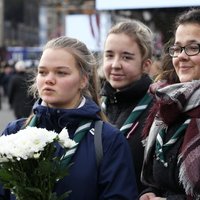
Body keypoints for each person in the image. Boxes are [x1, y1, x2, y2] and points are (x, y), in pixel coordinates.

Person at [1, 36, 138, 200]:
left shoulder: (108, 140)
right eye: (42, 72)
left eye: (61, 73)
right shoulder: (14, 133)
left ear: (83, 80)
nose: (49, 79)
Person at [140, 8, 200, 200]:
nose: (181, 56)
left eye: (193, 47)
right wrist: (150, 192)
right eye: (177, 48)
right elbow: (159, 176)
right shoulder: (168, 104)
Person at [100, 20, 154, 193]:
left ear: (146, 65)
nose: (115, 64)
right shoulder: (95, 107)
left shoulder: (160, 110)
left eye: (126, 57)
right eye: (109, 55)